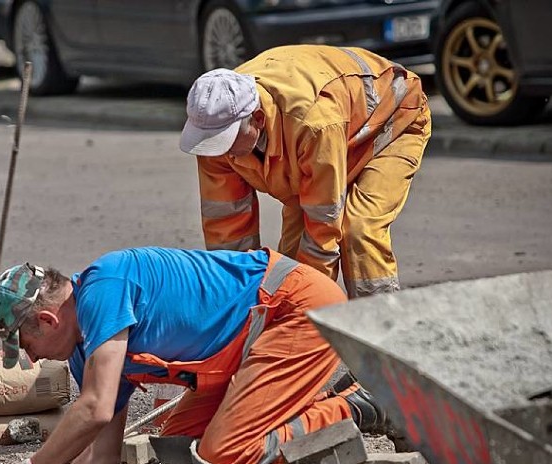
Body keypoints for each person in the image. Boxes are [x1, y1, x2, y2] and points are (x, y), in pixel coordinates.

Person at [0, 247, 385, 464]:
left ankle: (358, 407)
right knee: (179, 451)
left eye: (27, 345)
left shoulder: (104, 289)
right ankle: (306, 403)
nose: (32, 360)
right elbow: (100, 460)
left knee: (224, 457)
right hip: (251, 344)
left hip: (296, 311)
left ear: (48, 320)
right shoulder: (85, 349)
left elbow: (93, 409)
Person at [179, 45, 431, 298]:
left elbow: (323, 230)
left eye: (228, 139)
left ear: (257, 118)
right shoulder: (214, 123)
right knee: (293, 253)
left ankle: (376, 324)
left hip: (392, 119)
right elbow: (226, 229)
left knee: (359, 230)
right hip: (337, 122)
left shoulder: (312, 123)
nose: (223, 151)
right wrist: (234, 301)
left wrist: (309, 306)